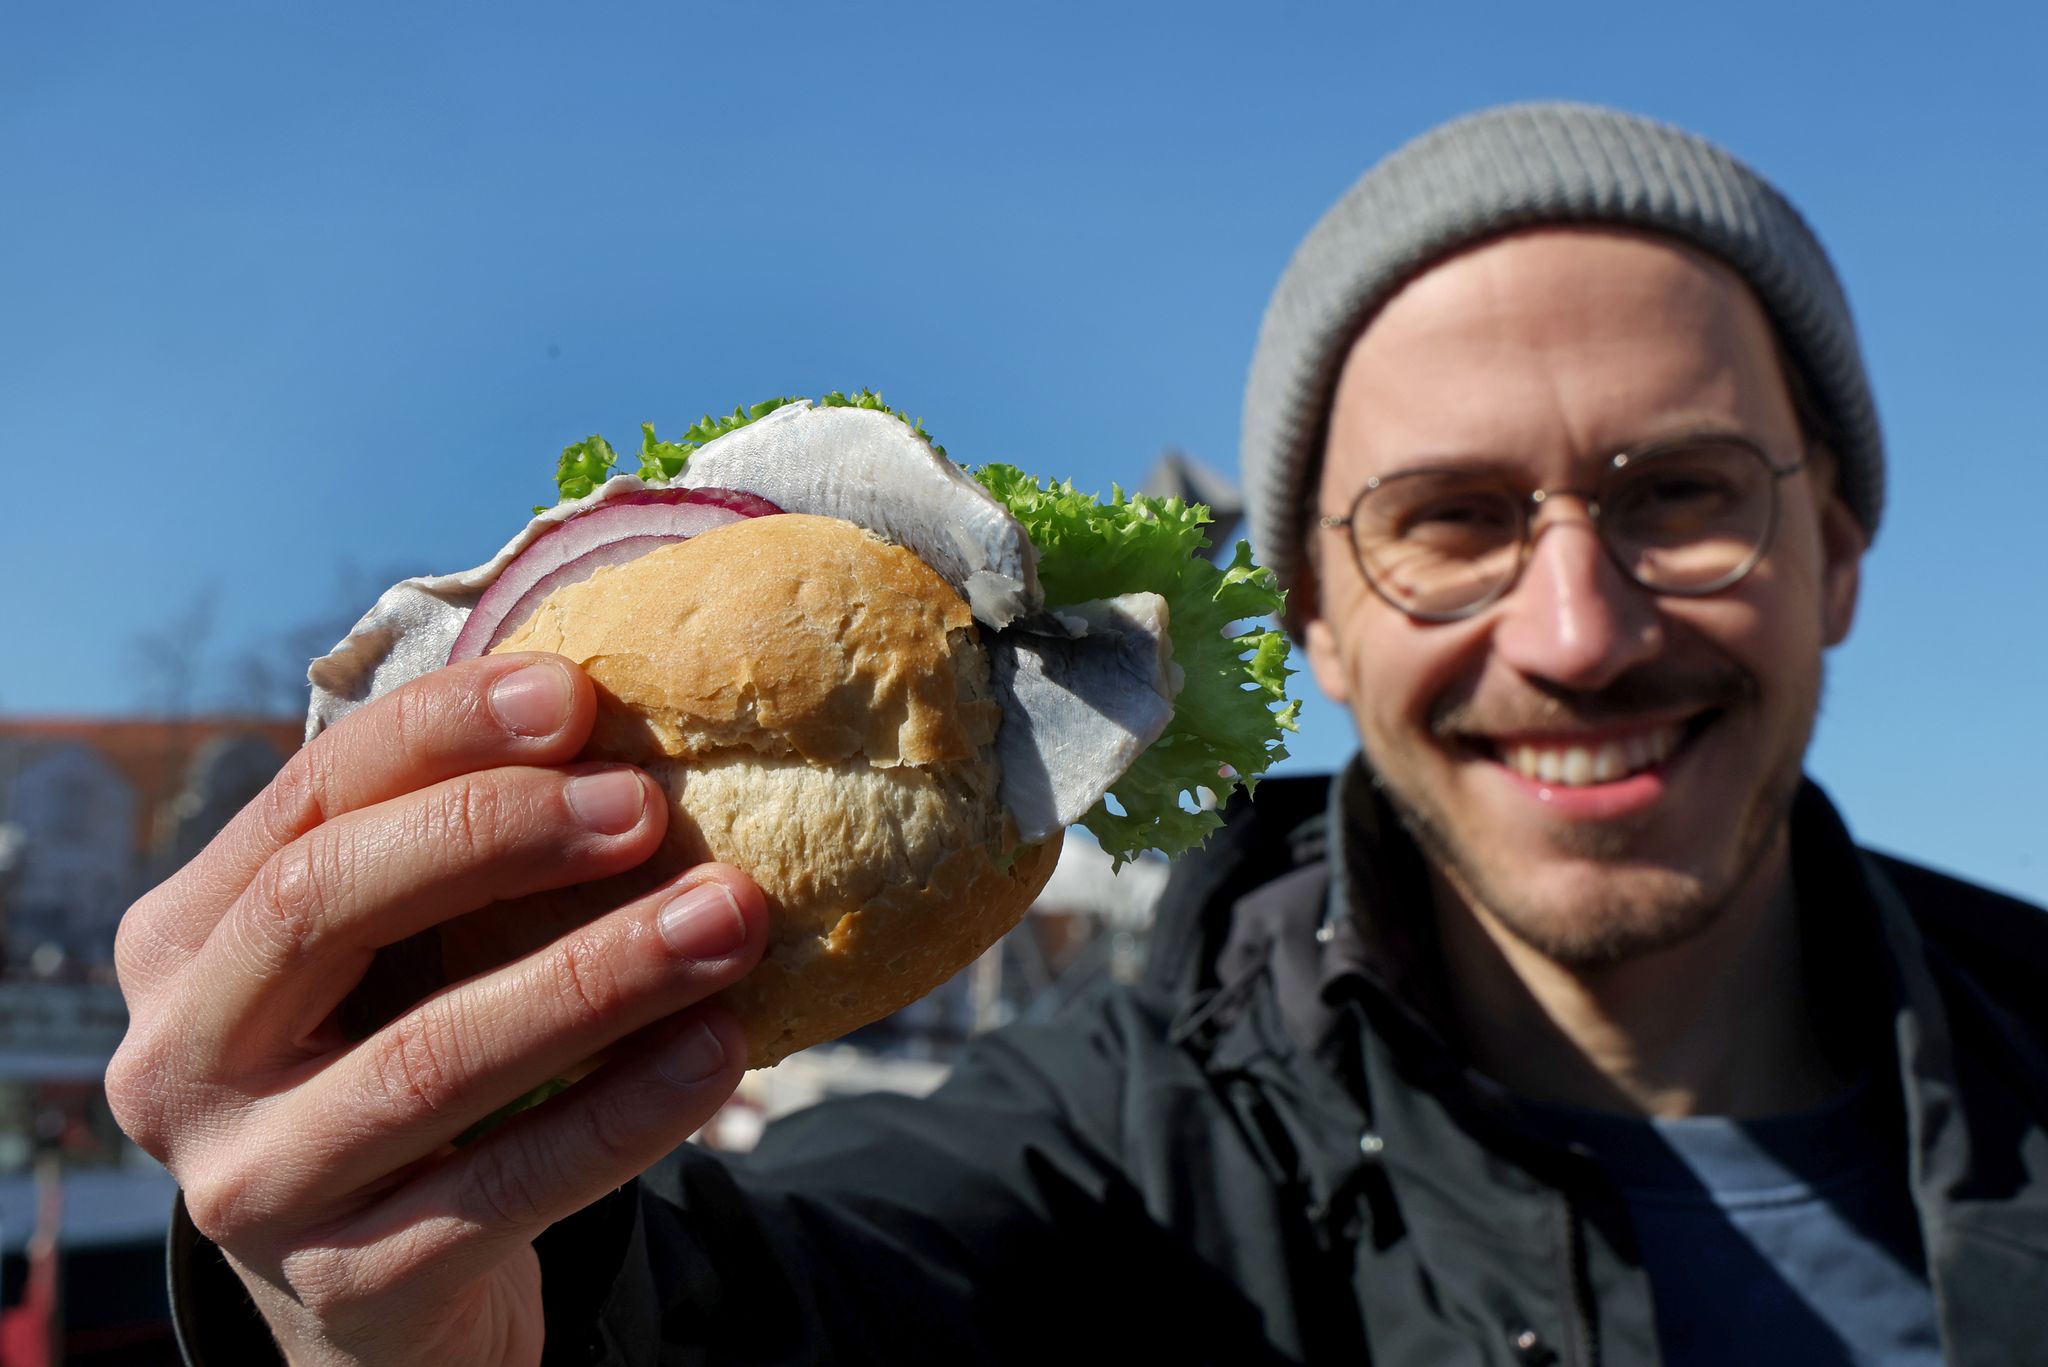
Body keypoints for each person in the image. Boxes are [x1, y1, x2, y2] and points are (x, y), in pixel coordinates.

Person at [110, 103, 2048, 1366]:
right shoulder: (1117, 1158)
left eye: (1684, 494)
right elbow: (764, 1312)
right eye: (1445, 523)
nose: (1574, 627)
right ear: (1312, 624)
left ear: (1839, 555)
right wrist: (426, 1306)